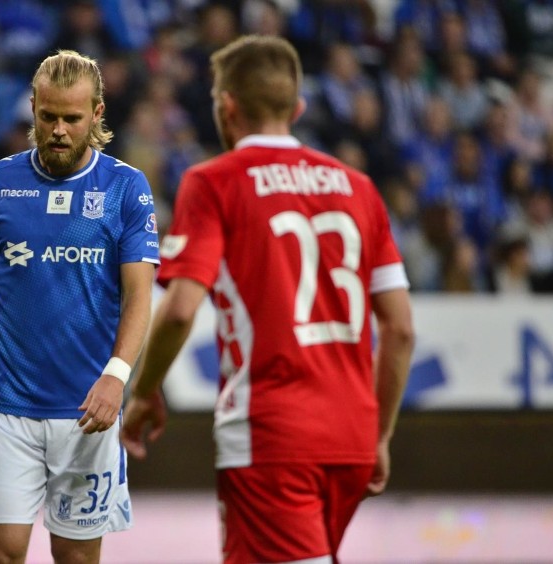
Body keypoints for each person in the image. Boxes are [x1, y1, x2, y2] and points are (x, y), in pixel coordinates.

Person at [120, 35, 415, 564]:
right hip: (351, 435)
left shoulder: (215, 182)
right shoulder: (359, 188)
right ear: (297, 108)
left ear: (226, 106)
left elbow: (182, 308)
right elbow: (400, 330)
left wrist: (144, 391)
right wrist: (380, 433)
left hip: (273, 436)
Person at [0, 50, 160, 564]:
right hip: (8, 406)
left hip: (88, 412)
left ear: (98, 114)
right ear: (33, 108)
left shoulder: (125, 190)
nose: (59, 130)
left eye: (72, 118)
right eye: (48, 116)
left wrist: (117, 375)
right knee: (2, 552)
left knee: (77, 558)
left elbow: (140, 294)